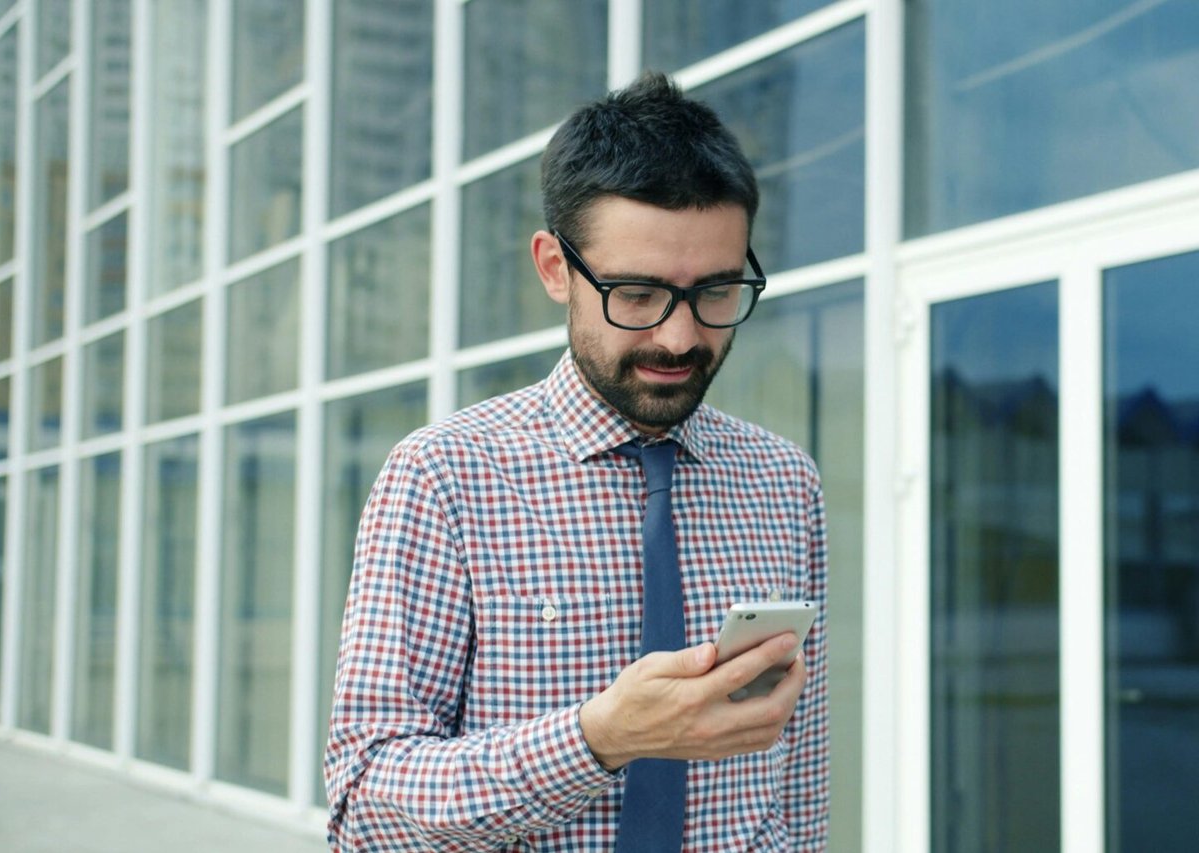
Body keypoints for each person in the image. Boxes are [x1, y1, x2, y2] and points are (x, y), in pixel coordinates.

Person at [323, 73, 829, 852]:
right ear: (556, 267)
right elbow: (365, 810)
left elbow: (799, 783)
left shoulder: (785, 482)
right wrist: (599, 738)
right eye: (637, 293)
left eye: (716, 291)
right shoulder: (444, 477)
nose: (680, 337)